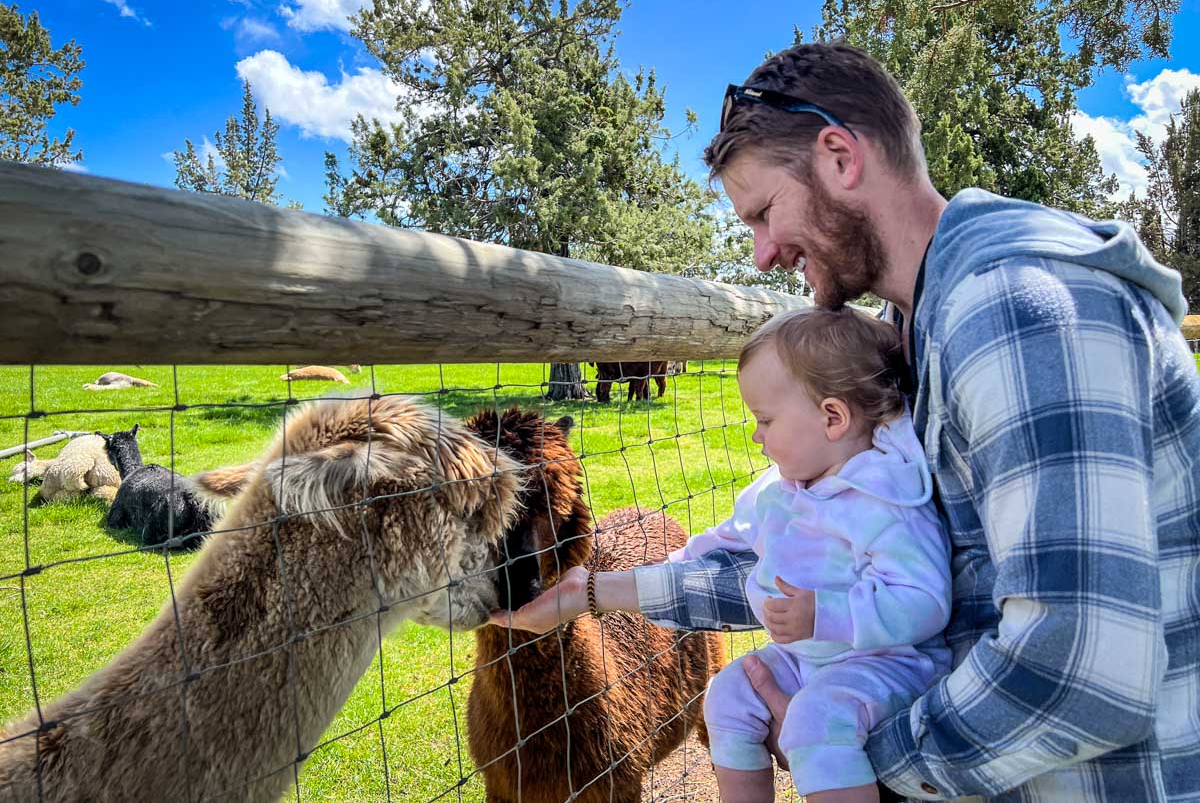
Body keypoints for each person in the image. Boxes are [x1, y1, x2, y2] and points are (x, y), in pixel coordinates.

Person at [495, 42, 1200, 802]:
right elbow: (821, 564)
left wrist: (853, 753)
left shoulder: (1014, 314)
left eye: (765, 212)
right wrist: (586, 595)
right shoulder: (914, 330)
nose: (763, 254)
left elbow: (1079, 669)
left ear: (839, 156)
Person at [688, 306, 952, 803]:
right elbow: (739, 534)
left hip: (889, 663)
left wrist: (823, 614)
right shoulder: (799, 489)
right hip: (813, 657)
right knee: (726, 694)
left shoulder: (884, 499)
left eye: (765, 420)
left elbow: (925, 601)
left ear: (832, 417)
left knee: (814, 720)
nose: (756, 435)